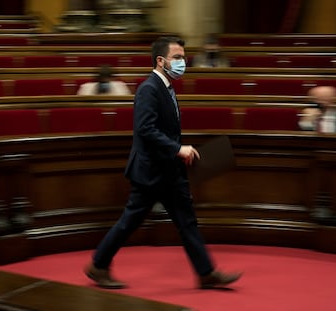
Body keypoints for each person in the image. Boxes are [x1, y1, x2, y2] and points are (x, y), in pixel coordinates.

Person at [84, 36, 242, 290]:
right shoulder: (149, 88)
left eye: (183, 57)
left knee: (186, 221)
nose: (183, 62)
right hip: (151, 171)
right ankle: (98, 265)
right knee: (130, 221)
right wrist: (178, 148)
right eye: (178, 57)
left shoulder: (166, 87)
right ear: (161, 60)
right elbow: (145, 129)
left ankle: (206, 273)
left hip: (169, 170)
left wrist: (177, 152)